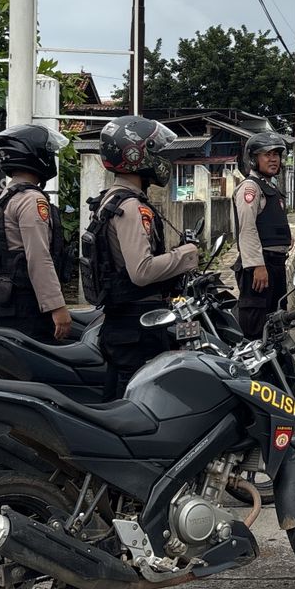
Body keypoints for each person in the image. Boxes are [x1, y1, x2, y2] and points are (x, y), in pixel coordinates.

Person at [86, 115, 200, 399]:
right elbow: (142, 270)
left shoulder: (111, 199)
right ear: (136, 155)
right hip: (136, 326)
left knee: (117, 401)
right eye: (155, 150)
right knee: (136, 406)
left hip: (123, 322)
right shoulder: (131, 207)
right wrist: (187, 254)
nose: (160, 157)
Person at [0, 123, 73, 342]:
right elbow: (38, 257)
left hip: (3, 299)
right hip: (26, 305)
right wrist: (57, 307)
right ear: (34, 155)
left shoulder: (4, 196)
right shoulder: (32, 199)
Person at [232, 131, 293, 341]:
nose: (273, 159)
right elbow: (247, 229)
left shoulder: (270, 187)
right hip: (260, 267)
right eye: (267, 154)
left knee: (276, 321)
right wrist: (257, 265)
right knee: (256, 326)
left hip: (275, 265)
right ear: (253, 158)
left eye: (276, 154)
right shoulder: (251, 188)